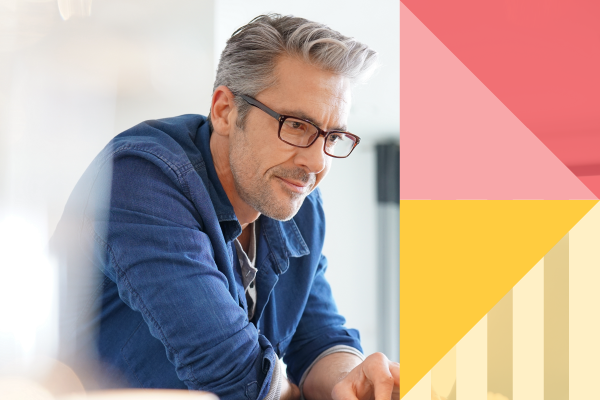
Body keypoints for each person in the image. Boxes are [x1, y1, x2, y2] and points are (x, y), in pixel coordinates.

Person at [51, 14, 399, 400]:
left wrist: (354, 380)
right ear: (224, 111)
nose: (316, 164)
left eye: (332, 136)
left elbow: (317, 338)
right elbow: (236, 377)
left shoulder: (296, 202)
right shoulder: (139, 179)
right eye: (297, 126)